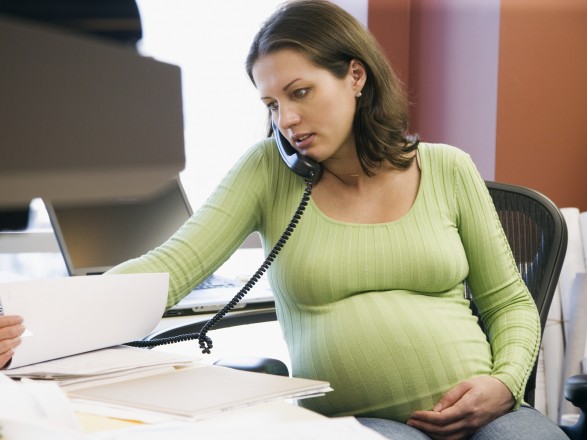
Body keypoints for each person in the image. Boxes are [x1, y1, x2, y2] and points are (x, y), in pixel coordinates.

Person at [0, 1, 568, 438]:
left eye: (301, 93)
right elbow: (170, 267)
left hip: (489, 413)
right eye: (272, 105)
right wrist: (27, 327)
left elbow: (509, 303)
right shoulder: (269, 171)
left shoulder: (447, 167)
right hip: (365, 423)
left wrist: (503, 384)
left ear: (355, 76)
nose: (287, 120)